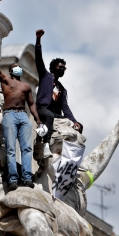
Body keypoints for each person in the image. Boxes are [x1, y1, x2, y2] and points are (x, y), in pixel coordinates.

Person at [0, 38, 41, 190]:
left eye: (19, 67)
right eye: (15, 67)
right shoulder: (5, 80)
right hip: (9, 115)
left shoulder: (26, 86)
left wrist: (38, 120)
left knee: (27, 148)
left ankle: (27, 177)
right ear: (10, 71)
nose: (18, 68)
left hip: (23, 115)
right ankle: (13, 178)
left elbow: (32, 104)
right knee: (10, 149)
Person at [35, 29, 82, 158]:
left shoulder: (62, 88)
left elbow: (65, 108)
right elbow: (38, 59)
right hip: (42, 110)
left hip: (56, 113)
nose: (62, 69)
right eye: (59, 67)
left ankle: (73, 156)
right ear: (53, 68)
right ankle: (45, 145)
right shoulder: (45, 76)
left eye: (64, 68)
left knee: (74, 125)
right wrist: (38, 40)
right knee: (49, 116)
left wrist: (74, 121)